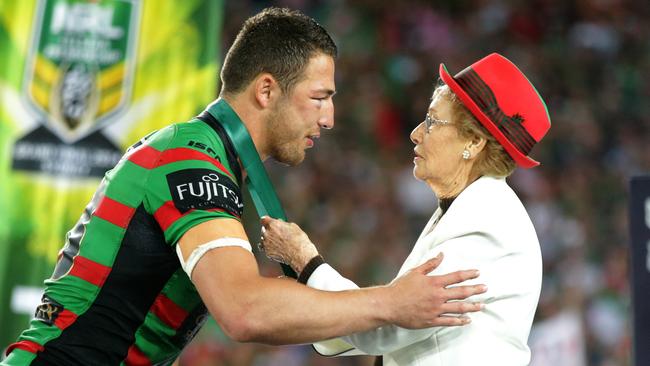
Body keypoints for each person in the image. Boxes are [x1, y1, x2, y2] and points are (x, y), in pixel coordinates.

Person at [2, 8, 488, 366]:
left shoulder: (211, 161)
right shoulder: (190, 159)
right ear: (266, 90)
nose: (330, 117)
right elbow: (244, 310)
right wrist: (391, 302)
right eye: (319, 97)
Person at [260, 52, 550, 365]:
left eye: (432, 121)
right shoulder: (470, 209)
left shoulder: (487, 222)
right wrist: (310, 296)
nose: (416, 133)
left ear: (473, 142)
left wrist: (306, 262)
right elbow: (394, 321)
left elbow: (389, 325)